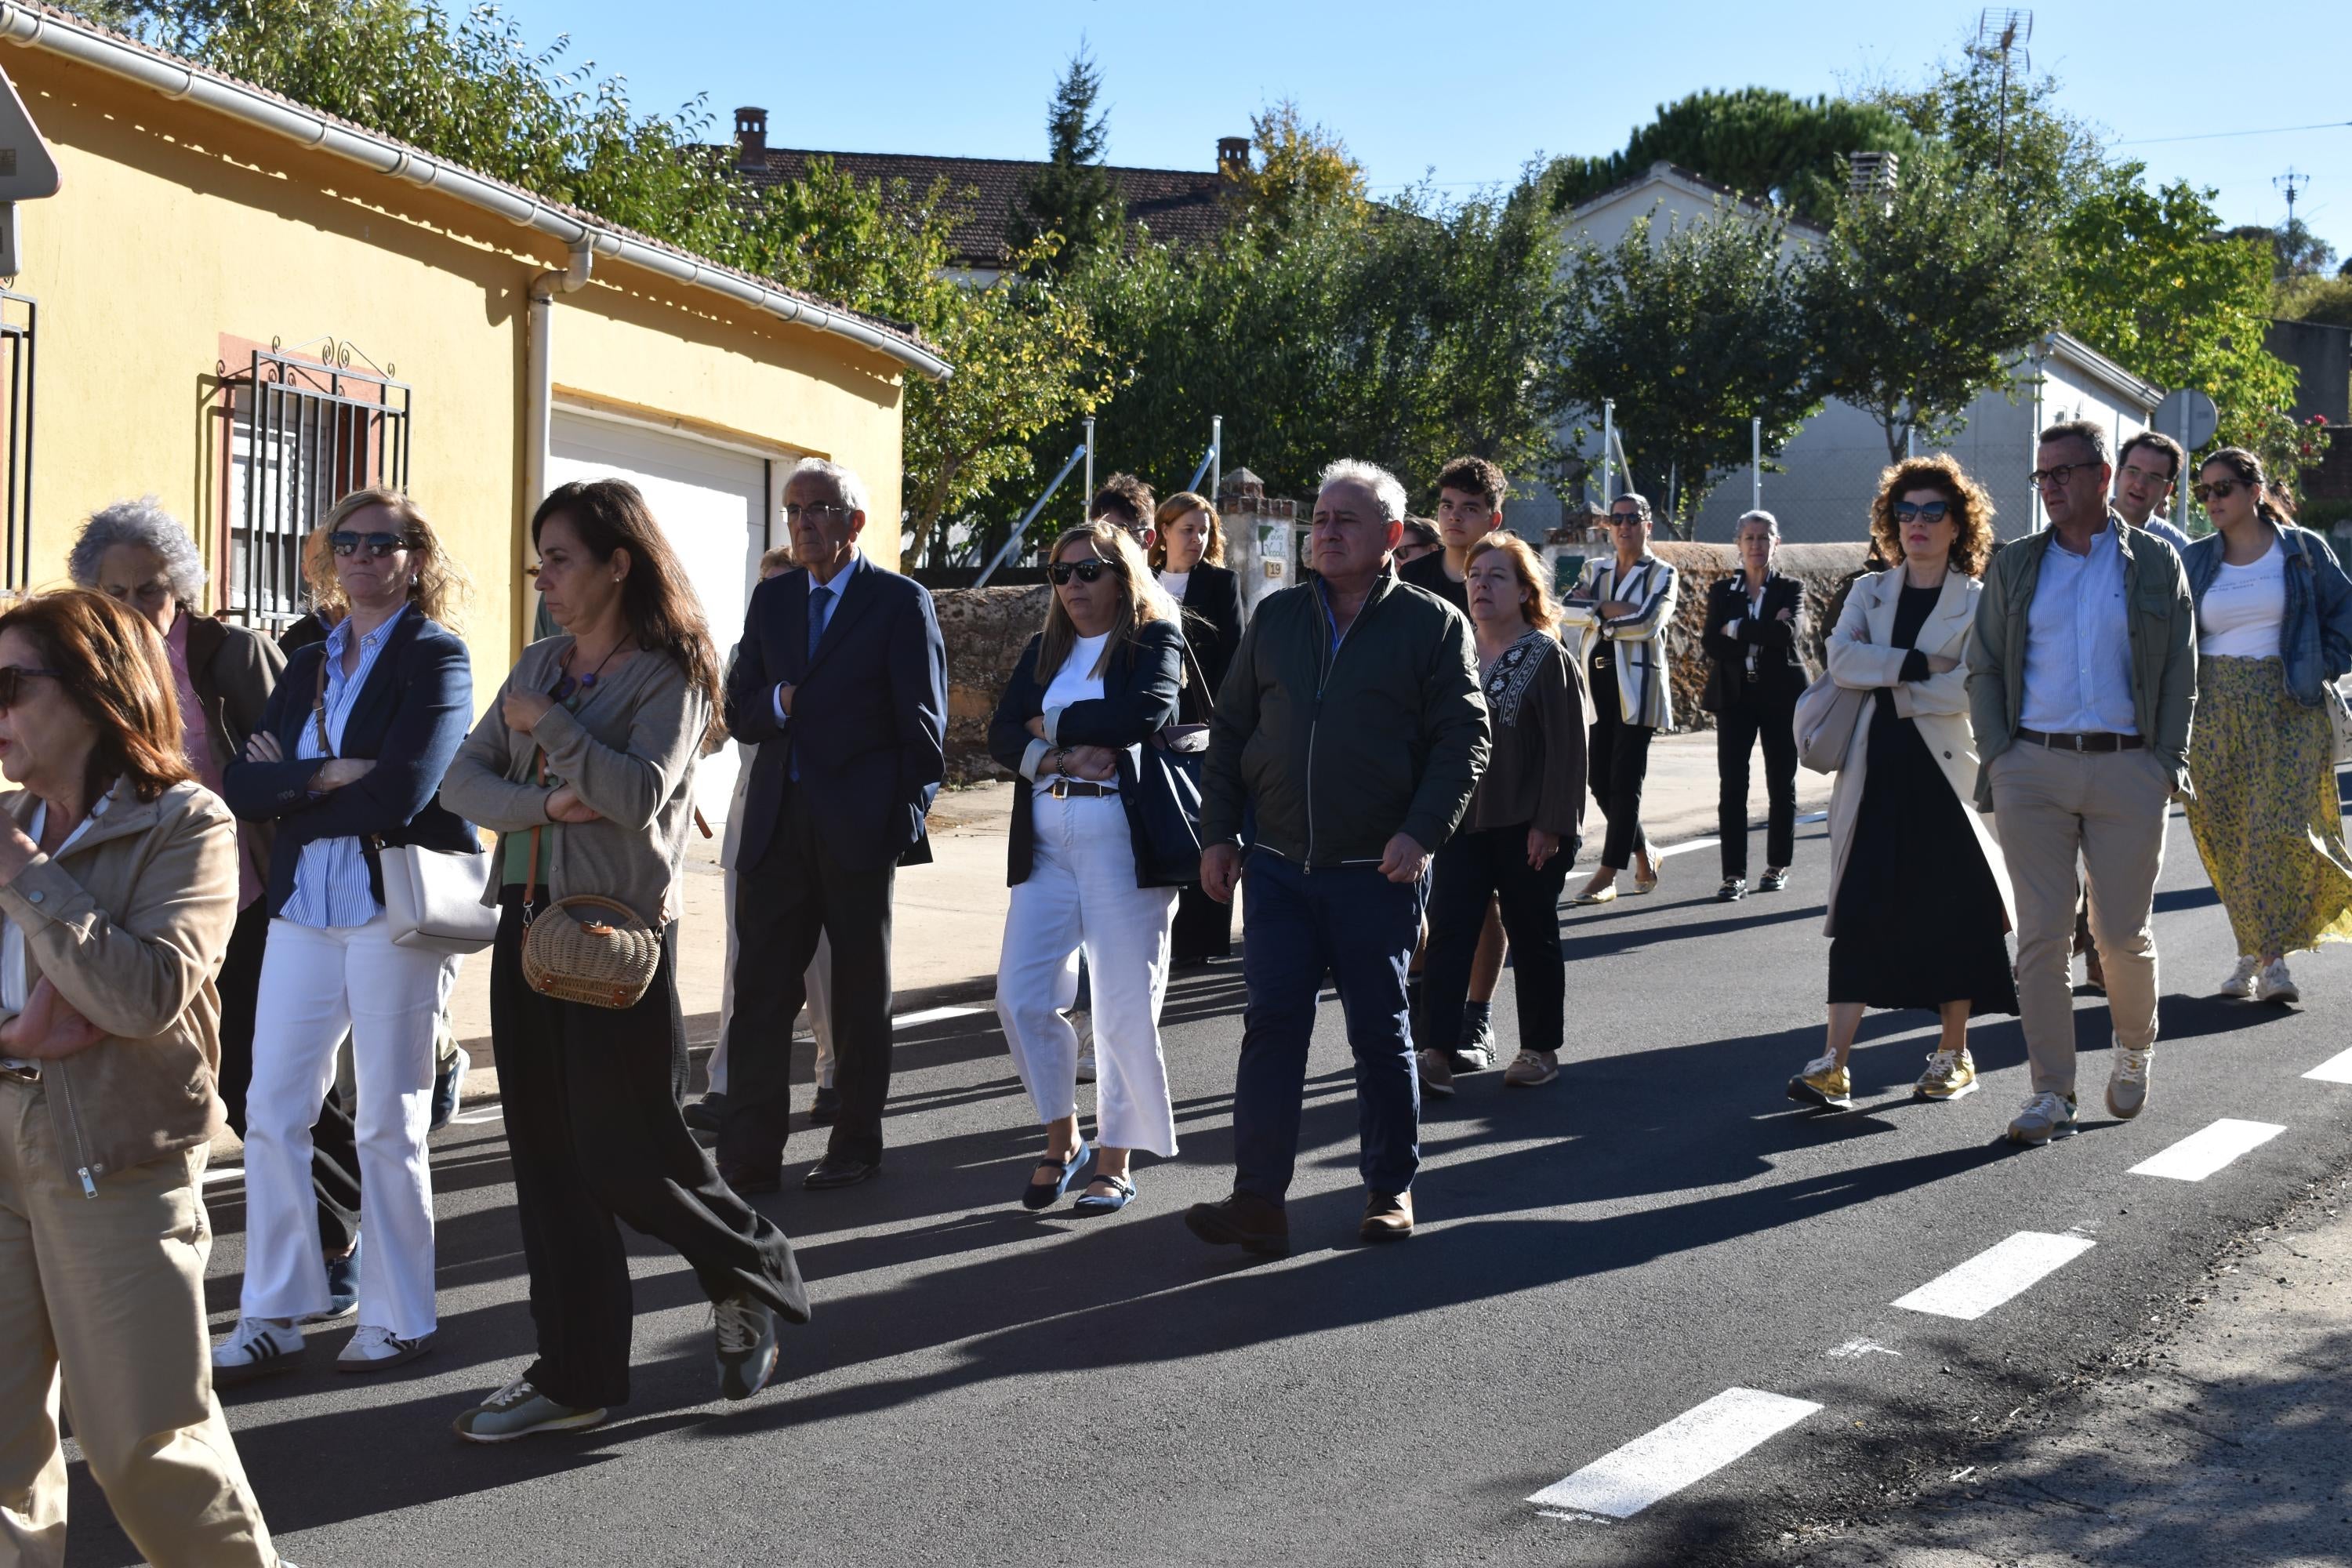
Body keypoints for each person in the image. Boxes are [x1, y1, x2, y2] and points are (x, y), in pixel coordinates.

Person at [440, 479, 809, 1439]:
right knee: (548, 1167)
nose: (544, 578)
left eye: (559, 558)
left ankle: (751, 1265)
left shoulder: (673, 672)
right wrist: (548, 802)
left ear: (618, 563)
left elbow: (639, 791)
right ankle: (575, 1372)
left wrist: (551, 732)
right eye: (539, 560)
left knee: (629, 1156)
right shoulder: (538, 664)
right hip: (526, 924)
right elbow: (461, 782)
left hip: (616, 935)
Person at [0, 591, 289, 1566]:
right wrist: (24, 1028)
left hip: (112, 1155)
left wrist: (26, 871)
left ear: (92, 690)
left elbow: (145, 990)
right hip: (2, 1137)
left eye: (9, 685)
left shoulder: (185, 821)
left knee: (144, 1448)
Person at [67, 503, 370, 1321]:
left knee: (268, 1073)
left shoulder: (228, 653)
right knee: (177, 1084)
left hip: (249, 893)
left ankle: (338, 1236)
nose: (136, 605)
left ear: (183, 586)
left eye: (152, 588)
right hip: (141, 909)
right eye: (116, 589)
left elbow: (302, 763)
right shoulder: (83, 663)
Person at [1185, 459, 1488, 1254]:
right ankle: (1258, 1200)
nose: (1324, 530)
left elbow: (1465, 739)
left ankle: (1390, 1187)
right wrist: (1219, 833)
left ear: (1390, 536)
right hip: (1280, 866)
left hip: (1374, 871)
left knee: (1380, 1031)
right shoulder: (1277, 618)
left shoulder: (1433, 624)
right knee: (1272, 1027)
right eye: (1320, 517)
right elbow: (1233, 733)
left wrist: (1421, 831)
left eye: (1344, 519)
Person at [212, 488, 476, 1385]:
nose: (363, 555)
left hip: (387, 910)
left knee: (386, 1118)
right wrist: (327, 771)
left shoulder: (436, 657)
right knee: (270, 1111)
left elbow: (400, 792)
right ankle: (275, 1311)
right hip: (302, 908)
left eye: (383, 542)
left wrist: (293, 782)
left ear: (415, 555)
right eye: (347, 541)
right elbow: (240, 789)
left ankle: (401, 1316)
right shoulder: (305, 657)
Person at [718, 458, 947, 1192]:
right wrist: (780, 706)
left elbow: (924, 733)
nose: (803, 521)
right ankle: (750, 1157)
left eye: (818, 508)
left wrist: (900, 824)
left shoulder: (899, 603)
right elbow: (742, 706)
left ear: (855, 522)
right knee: (759, 994)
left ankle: (854, 1142)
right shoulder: (774, 602)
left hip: (857, 830)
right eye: (792, 510)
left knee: (855, 997)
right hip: (776, 828)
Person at [1969, 419, 2197, 1146]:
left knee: (2120, 934)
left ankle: (2133, 1046)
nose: (2050, 486)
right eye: (2042, 475)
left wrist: (2165, 762)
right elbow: (1984, 666)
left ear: (2103, 477)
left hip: (2130, 765)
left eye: (2064, 472)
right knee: (2039, 935)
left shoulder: (2157, 564)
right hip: (2032, 766)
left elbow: (2183, 676)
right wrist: (1999, 755)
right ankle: (2052, 1092)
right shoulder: (2015, 565)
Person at [1788, 459, 2017, 1111]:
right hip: (1875, 774)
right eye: (1905, 513)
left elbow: (1973, 686)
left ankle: (1953, 1053)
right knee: (1860, 914)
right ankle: (1833, 1063)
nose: (1917, 524)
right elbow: (1842, 660)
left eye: (1932, 512)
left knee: (1956, 915)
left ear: (1958, 523)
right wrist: (1921, 665)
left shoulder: (1978, 600)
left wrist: (1891, 676)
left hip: (1947, 782)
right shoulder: (1868, 592)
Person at [988, 522, 1188, 1214]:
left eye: (1088, 570)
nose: (1072, 584)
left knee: (1125, 1007)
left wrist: (1050, 724)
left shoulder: (1155, 640)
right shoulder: (1047, 648)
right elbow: (999, 731)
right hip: (1046, 845)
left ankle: (1114, 1159)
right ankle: (1062, 1135)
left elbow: (1141, 714)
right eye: (1060, 573)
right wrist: (1058, 753)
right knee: (1020, 996)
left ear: (1122, 574)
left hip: (1124, 844)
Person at [2180, 447, 2352, 1004]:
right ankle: (2253, 952)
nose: (2211, 501)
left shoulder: (2301, 550)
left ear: (2254, 492)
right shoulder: (2196, 559)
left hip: (2289, 708)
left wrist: (2321, 664)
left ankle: (2271, 960)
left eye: (2222, 489)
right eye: (2203, 491)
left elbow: (2345, 614)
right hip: (2213, 712)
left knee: (2279, 831)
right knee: (2228, 837)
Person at [1415, 534, 1584, 1096]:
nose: (1481, 585)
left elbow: (1566, 750)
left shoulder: (1546, 656)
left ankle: (1539, 1048)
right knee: (1449, 933)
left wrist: (1551, 823)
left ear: (1524, 590)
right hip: (1461, 823)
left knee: (1533, 933)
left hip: (1527, 826)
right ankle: (1436, 1050)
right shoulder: (1451, 650)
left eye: (1496, 576)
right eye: (1474, 575)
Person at [688, 545, 837, 1136]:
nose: (769, 599)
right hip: (753, 830)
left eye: (782, 586)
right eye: (763, 588)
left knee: (825, 965)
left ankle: (833, 1076)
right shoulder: (742, 654)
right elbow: (714, 727)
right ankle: (728, 1085)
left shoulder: (832, 649)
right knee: (742, 965)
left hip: (824, 827)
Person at [1399, 456, 1513, 1069]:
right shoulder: (1411, 575)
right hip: (1417, 757)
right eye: (1446, 505)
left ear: (1493, 517)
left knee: (1482, 897)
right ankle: (1426, 1005)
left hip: (1485, 758)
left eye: (1469, 508)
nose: (1454, 517)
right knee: (1414, 888)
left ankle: (1477, 1015)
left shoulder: (1506, 573)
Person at [1562, 492, 1678, 904]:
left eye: (1633, 518)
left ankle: (1609, 872)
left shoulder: (1663, 573)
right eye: (1617, 518)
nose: (1625, 525)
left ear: (1648, 525)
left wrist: (1600, 616)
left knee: (1626, 782)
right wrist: (1606, 609)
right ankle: (1645, 852)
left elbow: (1648, 622)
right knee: (1599, 781)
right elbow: (1566, 610)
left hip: (1639, 690)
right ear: (1609, 526)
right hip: (1598, 687)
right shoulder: (1596, 568)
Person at [1151, 491, 1244, 967]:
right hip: (1149, 723)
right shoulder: (1141, 582)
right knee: (1161, 824)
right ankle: (1157, 933)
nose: (1196, 538)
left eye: (1204, 530)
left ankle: (1203, 939)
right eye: (1186, 529)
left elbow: (1234, 657)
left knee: (1206, 823)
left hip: (1204, 724)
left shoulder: (1222, 582)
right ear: (1163, 532)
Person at [1700, 510, 1808, 902]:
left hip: (1781, 696)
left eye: (1765, 538)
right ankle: (1733, 875)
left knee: (1782, 783)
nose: (1757, 545)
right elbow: (1712, 643)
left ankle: (1777, 866)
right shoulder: (1722, 592)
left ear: (1776, 543)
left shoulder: (1791, 588)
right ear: (1739, 544)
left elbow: (1788, 632)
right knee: (1733, 787)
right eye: (1750, 538)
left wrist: (1739, 628)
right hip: (1735, 697)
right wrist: (1757, 632)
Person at [2114, 430, 2194, 555]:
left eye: (2153, 478)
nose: (2140, 485)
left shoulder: (2179, 550)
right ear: (2117, 473)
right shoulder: (2080, 525)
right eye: (2133, 471)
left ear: (2167, 490)